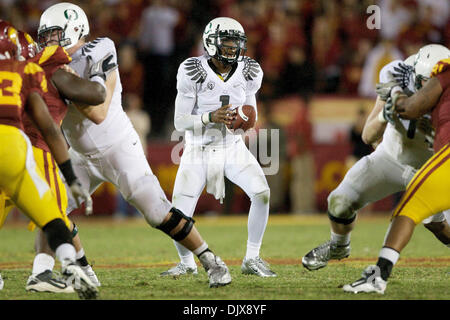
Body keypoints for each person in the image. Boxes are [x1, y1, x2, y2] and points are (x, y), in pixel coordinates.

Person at [35, 2, 231, 288]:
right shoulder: (48, 65)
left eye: (54, 34)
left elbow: (99, 113)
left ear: (74, 29)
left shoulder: (99, 49)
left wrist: (63, 85)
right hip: (80, 154)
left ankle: (211, 260)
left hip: (118, 147)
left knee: (156, 212)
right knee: (49, 208)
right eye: (45, 36)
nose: (49, 42)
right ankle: (79, 272)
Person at [302, 48, 450, 272]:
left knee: (441, 229)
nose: (428, 90)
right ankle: (339, 246)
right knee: (339, 202)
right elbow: (368, 136)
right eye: (424, 82)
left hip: (431, 168)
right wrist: (384, 115)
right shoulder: (396, 74)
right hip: (391, 158)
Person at [162, 17, 276, 278]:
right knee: (178, 213)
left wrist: (245, 122)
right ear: (210, 42)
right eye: (226, 41)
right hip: (198, 149)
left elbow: (251, 113)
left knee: (262, 194)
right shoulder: (192, 69)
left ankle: (252, 258)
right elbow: (180, 122)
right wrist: (210, 117)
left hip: (231, 146)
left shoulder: (250, 71)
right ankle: (186, 263)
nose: (232, 47)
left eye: (236, 42)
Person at [342, 44, 450, 294]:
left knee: (407, 212)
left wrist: (395, 98)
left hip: (445, 157)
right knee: (423, 217)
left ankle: (378, 277)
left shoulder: (441, 75)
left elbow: (411, 108)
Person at [0, 22, 97, 299]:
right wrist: (70, 175)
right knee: (52, 215)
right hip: (20, 148)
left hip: (22, 146)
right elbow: (50, 128)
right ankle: (56, 270)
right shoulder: (28, 70)